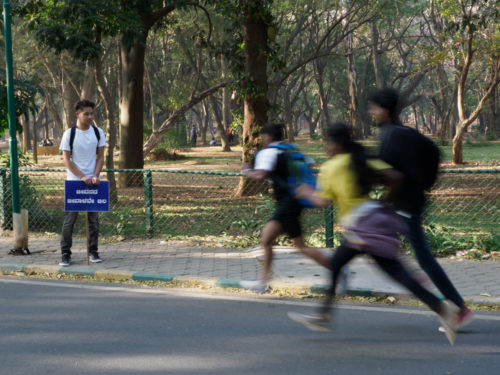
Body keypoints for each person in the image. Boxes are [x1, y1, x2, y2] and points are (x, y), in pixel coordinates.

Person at [287, 123, 459, 345]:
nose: (326, 146)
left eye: (328, 141)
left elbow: (322, 202)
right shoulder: (363, 157)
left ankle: (323, 316)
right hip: (375, 221)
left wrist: (305, 192)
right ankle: (443, 309)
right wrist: (385, 199)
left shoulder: (332, 167)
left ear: (336, 143)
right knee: (392, 271)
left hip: (359, 229)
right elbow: (395, 177)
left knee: (344, 264)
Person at [368, 88, 473, 332]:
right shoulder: (403, 132)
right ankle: (416, 279)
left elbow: (389, 174)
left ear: (385, 110)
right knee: (386, 243)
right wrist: (424, 183)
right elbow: (434, 152)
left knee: (419, 254)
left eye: (374, 108)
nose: (373, 112)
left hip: (406, 202)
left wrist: (387, 196)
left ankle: (457, 307)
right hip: (409, 199)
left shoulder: (392, 135)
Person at [240, 123, 331, 292]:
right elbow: (309, 166)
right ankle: (263, 280)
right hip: (293, 203)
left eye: (263, 137)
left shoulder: (268, 153)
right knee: (266, 239)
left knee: (300, 246)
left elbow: (260, 175)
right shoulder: (291, 150)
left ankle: (338, 269)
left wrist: (247, 171)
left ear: (267, 137)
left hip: (287, 205)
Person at [58, 99, 106, 267]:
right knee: (70, 220)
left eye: (92, 113)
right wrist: (81, 177)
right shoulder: (69, 134)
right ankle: (65, 254)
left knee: (93, 220)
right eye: (86, 114)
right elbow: (66, 159)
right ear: (77, 114)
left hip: (93, 183)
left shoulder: (98, 133)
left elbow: (100, 157)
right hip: (74, 183)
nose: (90, 117)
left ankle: (93, 251)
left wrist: (95, 175)